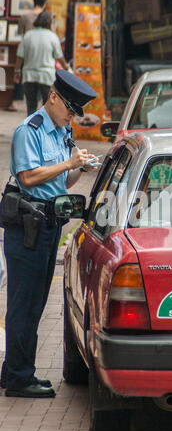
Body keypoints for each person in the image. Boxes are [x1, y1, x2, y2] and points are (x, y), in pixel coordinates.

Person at [0, 69, 97, 398]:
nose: (71, 117)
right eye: (69, 109)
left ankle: (15, 370)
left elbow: (62, 183)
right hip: (28, 224)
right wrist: (68, 164)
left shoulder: (61, 129)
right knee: (23, 303)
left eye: (74, 113)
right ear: (53, 97)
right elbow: (28, 177)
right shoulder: (31, 130)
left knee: (35, 302)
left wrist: (79, 166)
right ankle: (18, 378)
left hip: (50, 224)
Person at [14, 11, 69, 116]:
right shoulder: (52, 37)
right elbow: (59, 57)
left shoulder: (28, 36)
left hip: (29, 76)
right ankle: (43, 130)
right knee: (47, 107)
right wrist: (66, 67)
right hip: (46, 77)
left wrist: (17, 71)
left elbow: (20, 56)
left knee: (31, 106)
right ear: (49, 23)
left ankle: (31, 130)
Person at [5, 0, 48, 112]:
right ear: (45, 3)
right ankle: (41, 106)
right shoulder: (46, 17)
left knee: (20, 75)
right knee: (41, 77)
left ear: (33, 1)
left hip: (27, 49)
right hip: (42, 51)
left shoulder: (25, 17)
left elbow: (19, 32)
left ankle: (15, 103)